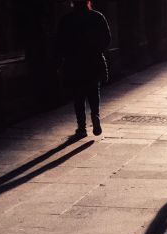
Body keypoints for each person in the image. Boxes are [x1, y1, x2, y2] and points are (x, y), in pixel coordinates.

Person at [55, 0, 111, 137]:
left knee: (78, 95)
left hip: (74, 62)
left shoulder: (66, 20)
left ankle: (81, 128)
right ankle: (95, 116)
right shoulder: (97, 16)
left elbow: (59, 43)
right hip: (93, 61)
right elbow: (107, 39)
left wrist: (63, 59)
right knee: (93, 90)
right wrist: (96, 49)